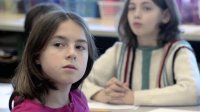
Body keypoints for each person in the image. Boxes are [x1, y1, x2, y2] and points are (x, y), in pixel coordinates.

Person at [82, 0, 200, 106]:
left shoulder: (179, 51)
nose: (136, 15)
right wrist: (101, 94)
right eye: (132, 8)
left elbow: (194, 91)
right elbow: (79, 80)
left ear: (166, 15)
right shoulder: (119, 51)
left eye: (146, 8)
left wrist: (133, 97)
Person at [9, 11, 97, 112]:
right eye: (59, 44)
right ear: (36, 56)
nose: (72, 53)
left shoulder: (79, 98)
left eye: (79, 47)